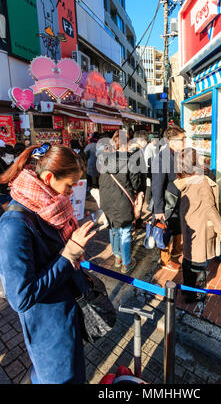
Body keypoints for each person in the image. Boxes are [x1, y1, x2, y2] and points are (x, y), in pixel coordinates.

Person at [0, 144, 97, 383]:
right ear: (50, 177)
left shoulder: (44, 209)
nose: (72, 193)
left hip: (66, 316)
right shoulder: (14, 224)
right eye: (69, 186)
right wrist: (69, 255)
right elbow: (20, 297)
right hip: (48, 330)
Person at [174, 148, 221, 303]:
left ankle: (188, 289)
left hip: (190, 225)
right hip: (201, 226)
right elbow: (210, 208)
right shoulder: (201, 181)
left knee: (188, 259)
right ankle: (192, 293)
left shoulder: (183, 181)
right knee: (197, 262)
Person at [98, 130, 140, 274]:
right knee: (125, 231)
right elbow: (135, 184)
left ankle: (118, 257)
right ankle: (127, 263)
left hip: (106, 199)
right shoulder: (130, 159)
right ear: (127, 143)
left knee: (113, 228)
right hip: (122, 200)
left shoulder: (104, 158)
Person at [151, 124, 186, 271]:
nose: (185, 142)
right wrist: (158, 210)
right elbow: (157, 186)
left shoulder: (175, 154)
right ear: (171, 141)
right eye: (182, 139)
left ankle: (177, 250)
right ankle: (165, 261)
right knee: (164, 231)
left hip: (177, 202)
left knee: (176, 227)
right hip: (167, 204)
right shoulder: (162, 158)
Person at [144, 134, 158, 207]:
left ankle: (151, 201)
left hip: (154, 168)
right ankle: (148, 202)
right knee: (149, 185)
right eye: (155, 139)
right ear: (152, 140)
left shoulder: (155, 147)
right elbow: (148, 161)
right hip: (149, 169)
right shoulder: (148, 148)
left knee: (152, 185)